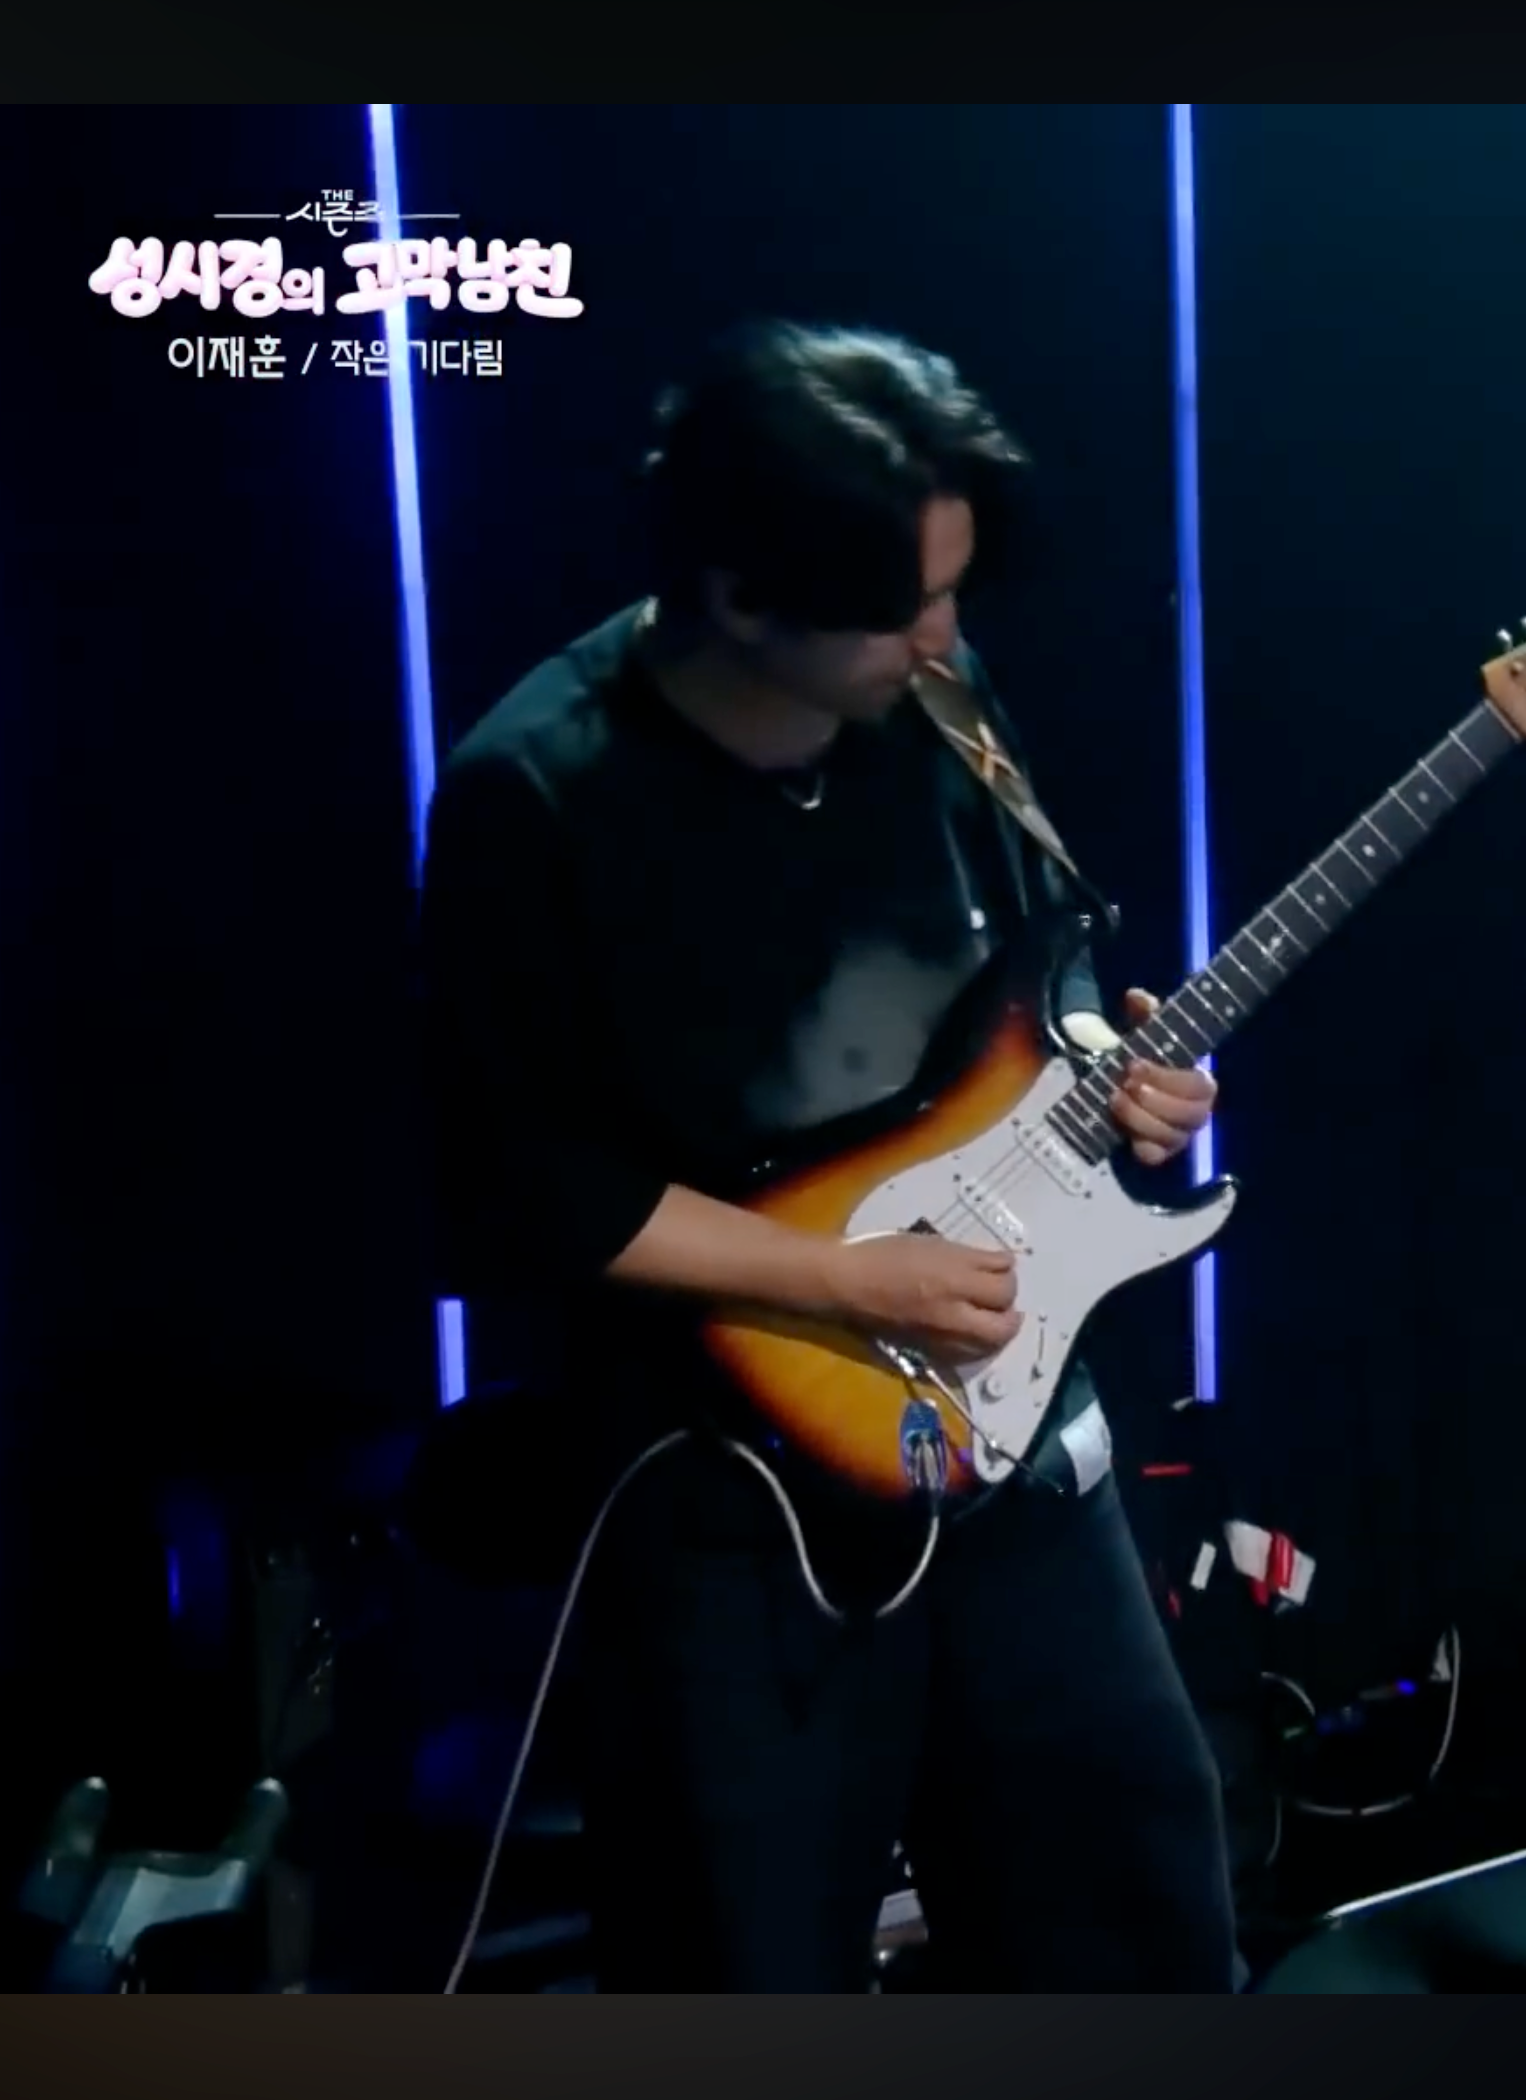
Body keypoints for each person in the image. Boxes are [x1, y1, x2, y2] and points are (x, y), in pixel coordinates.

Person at [416, 320, 1239, 1992]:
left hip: (1009, 1441)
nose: (944, 636)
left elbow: (1044, 969)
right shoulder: (535, 797)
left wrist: (1117, 1063)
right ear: (738, 595)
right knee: (747, 1967)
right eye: (903, 608)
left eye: (954, 592)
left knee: (1135, 1930)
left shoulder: (939, 701)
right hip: (736, 1490)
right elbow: (523, 1191)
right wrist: (845, 1281)